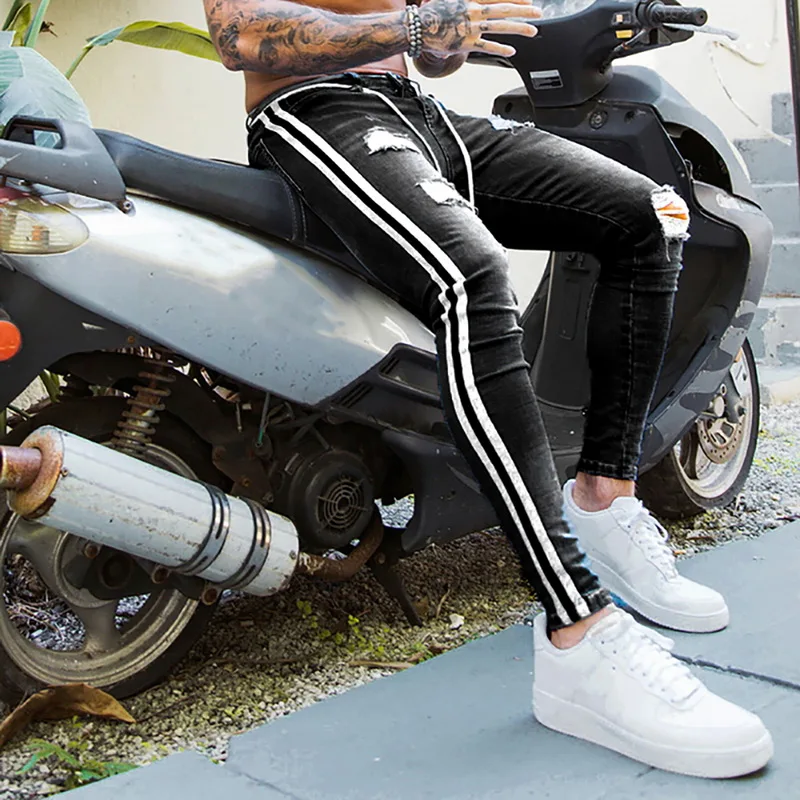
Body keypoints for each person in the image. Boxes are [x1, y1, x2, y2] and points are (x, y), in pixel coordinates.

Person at [203, 0, 773, 778]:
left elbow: (428, 54)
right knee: (471, 278)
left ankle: (603, 498)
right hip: (314, 114)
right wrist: (412, 29)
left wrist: (448, 38)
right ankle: (579, 634)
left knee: (650, 215)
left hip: (418, 113)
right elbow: (241, 35)